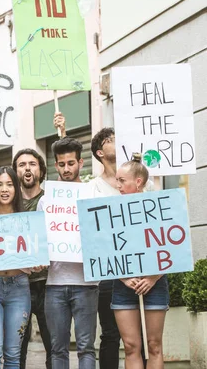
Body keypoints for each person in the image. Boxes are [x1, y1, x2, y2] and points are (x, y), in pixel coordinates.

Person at [39, 137, 99, 369]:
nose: (66, 169)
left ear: (80, 163)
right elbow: (40, 239)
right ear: (56, 164)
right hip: (54, 284)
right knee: (57, 348)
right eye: (61, 164)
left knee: (86, 347)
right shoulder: (46, 200)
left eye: (71, 163)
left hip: (87, 283)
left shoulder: (92, 196)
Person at [0, 166, 42, 368]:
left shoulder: (29, 222)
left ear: (17, 188)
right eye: (0, 184)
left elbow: (36, 256)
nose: (5, 189)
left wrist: (38, 265)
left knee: (13, 354)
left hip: (19, 288)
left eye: (10, 184)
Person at [113, 153, 169, 368]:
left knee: (154, 345)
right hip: (123, 285)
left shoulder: (160, 208)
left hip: (154, 284)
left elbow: (171, 248)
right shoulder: (112, 211)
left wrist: (153, 278)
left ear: (138, 182)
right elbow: (104, 249)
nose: (117, 185)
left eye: (121, 180)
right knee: (130, 346)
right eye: (117, 180)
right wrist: (125, 278)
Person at [12, 148, 52, 369]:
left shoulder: (53, 200)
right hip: (18, 285)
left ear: (41, 169)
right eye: (21, 164)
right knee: (17, 348)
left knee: (53, 346)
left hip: (49, 284)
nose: (27, 168)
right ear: (15, 171)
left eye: (32, 164)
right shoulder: (7, 204)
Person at [88, 128, 122, 369]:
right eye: (111, 140)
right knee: (111, 334)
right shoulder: (93, 189)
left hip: (139, 269)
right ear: (100, 152)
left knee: (139, 338)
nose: (117, 142)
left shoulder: (141, 180)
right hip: (108, 272)